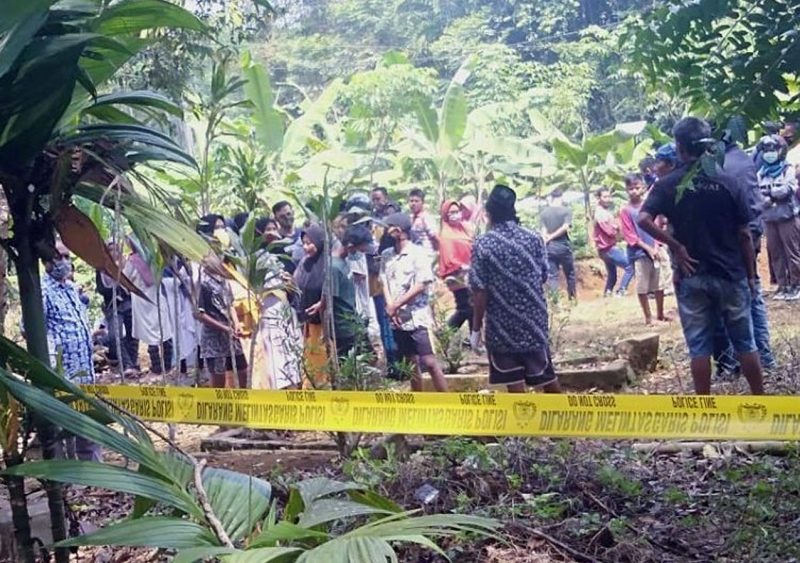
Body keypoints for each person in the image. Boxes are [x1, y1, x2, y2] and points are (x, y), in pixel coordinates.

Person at [638, 116, 764, 395]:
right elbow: (744, 234)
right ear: (709, 145)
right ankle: (761, 402)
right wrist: (752, 275)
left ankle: (703, 407)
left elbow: (643, 219)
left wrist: (676, 246)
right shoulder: (729, 182)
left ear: (679, 147)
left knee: (699, 347)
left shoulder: (668, 184)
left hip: (691, 274)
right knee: (745, 342)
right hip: (731, 274)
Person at [470, 185, 561, 393]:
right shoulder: (534, 238)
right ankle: (563, 421)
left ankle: (524, 424)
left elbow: (479, 291)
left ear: (489, 213)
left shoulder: (483, 244)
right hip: (533, 322)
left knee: (514, 382)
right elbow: (543, 275)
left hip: (502, 327)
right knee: (546, 375)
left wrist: (476, 329)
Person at [714, 138, 777, 377]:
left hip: (737, 238)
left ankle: (740, 360)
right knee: (753, 295)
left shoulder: (722, 164)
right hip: (750, 232)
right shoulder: (743, 159)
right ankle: (764, 356)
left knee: (739, 301)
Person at [43, 241, 101, 461]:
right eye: (60, 257)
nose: (65, 262)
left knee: (89, 425)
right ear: (47, 260)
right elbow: (29, 328)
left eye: (68, 257)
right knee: (64, 428)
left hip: (84, 371)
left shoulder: (70, 288)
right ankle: (67, 476)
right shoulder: (43, 291)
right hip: (62, 374)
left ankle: (95, 473)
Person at [381, 212, 448, 392]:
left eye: (390, 227)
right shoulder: (387, 255)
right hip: (397, 317)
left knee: (429, 361)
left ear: (400, 230)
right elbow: (385, 282)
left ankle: (448, 400)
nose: (387, 230)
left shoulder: (417, 254)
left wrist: (396, 305)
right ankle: (417, 401)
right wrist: (391, 307)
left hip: (417, 316)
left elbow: (421, 285)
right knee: (410, 361)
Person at [196, 214, 248, 389]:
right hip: (214, 338)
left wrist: (236, 324)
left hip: (232, 334)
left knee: (242, 370)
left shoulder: (223, 277)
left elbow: (230, 303)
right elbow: (199, 314)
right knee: (218, 381)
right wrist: (225, 328)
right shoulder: (200, 280)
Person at [254, 217, 303, 389]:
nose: (272, 233)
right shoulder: (255, 258)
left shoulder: (284, 254)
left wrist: (291, 282)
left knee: (291, 348)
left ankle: (294, 384)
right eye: (268, 229)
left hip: (285, 309)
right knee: (274, 351)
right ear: (259, 232)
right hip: (267, 309)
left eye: (274, 228)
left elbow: (294, 282)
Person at [757, 134, 800, 301]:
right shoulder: (762, 172)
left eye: (772, 149)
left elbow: (787, 190)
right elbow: (757, 192)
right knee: (775, 253)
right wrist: (771, 195)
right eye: (766, 150)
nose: (769, 153)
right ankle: (782, 285)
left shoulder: (788, 169)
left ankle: (796, 285)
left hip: (787, 216)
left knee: (793, 251)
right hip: (769, 218)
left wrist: (769, 194)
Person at [620, 173, 667, 325]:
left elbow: (657, 226)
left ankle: (660, 314)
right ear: (626, 190)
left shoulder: (649, 206)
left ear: (643, 188)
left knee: (659, 284)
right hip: (639, 252)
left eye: (637, 187)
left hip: (654, 249)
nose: (634, 191)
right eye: (630, 188)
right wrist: (648, 248)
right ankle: (648, 317)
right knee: (642, 285)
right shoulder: (625, 211)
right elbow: (630, 235)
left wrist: (656, 246)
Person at [124, 237, 174, 374]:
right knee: (164, 331)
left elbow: (125, 278)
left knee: (151, 334)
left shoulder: (132, 261)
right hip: (156, 297)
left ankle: (158, 367)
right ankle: (167, 364)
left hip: (142, 299)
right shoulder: (154, 258)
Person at [96, 241, 138, 376]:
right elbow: (101, 288)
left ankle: (132, 362)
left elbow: (132, 283)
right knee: (115, 335)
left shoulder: (126, 265)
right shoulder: (101, 268)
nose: (113, 252)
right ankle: (127, 364)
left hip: (128, 303)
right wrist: (115, 290)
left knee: (133, 334)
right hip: (112, 306)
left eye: (115, 250)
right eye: (110, 250)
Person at [341, 224, 382, 358]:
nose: (364, 249)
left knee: (366, 354)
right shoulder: (350, 257)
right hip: (354, 312)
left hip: (361, 309)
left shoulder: (359, 256)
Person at [438, 199, 474, 330]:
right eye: (451, 212)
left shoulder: (464, 229)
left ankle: (473, 339)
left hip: (470, 273)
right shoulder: (446, 234)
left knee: (472, 308)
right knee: (465, 307)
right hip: (455, 275)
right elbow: (448, 257)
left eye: (457, 211)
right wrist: (461, 267)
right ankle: (447, 333)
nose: (455, 215)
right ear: (446, 215)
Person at [592, 188, 633, 297]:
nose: (608, 199)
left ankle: (608, 292)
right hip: (608, 248)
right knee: (630, 267)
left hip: (604, 249)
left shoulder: (603, 212)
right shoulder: (600, 214)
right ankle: (621, 290)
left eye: (609, 197)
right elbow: (610, 232)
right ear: (599, 198)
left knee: (612, 274)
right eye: (605, 197)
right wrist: (617, 228)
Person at [540, 189, 577, 300]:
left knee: (553, 276)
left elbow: (543, 230)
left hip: (549, 247)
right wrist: (551, 237)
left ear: (551, 197)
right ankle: (572, 299)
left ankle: (555, 301)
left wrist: (546, 239)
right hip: (563, 247)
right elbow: (565, 227)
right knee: (570, 273)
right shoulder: (566, 211)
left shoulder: (544, 213)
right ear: (561, 197)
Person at [408, 188, 439, 254]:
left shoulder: (427, 218)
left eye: (416, 201)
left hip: (427, 253)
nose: (413, 204)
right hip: (414, 254)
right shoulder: (410, 218)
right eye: (411, 201)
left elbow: (436, 237)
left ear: (422, 202)